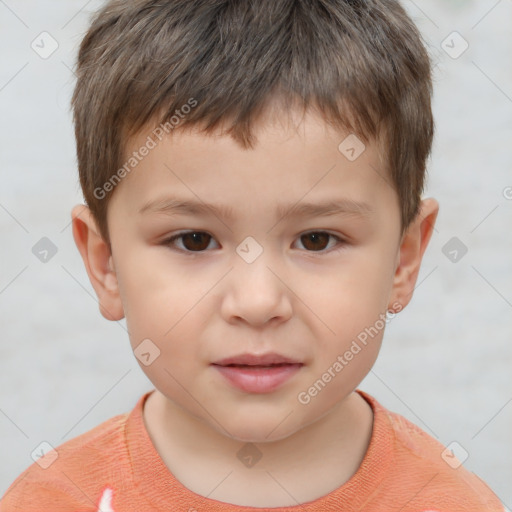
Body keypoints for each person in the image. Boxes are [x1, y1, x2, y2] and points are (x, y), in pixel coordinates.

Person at [1, 0, 504, 510]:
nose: (258, 301)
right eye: (194, 240)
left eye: (317, 239)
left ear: (404, 259)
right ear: (105, 264)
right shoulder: (52, 500)